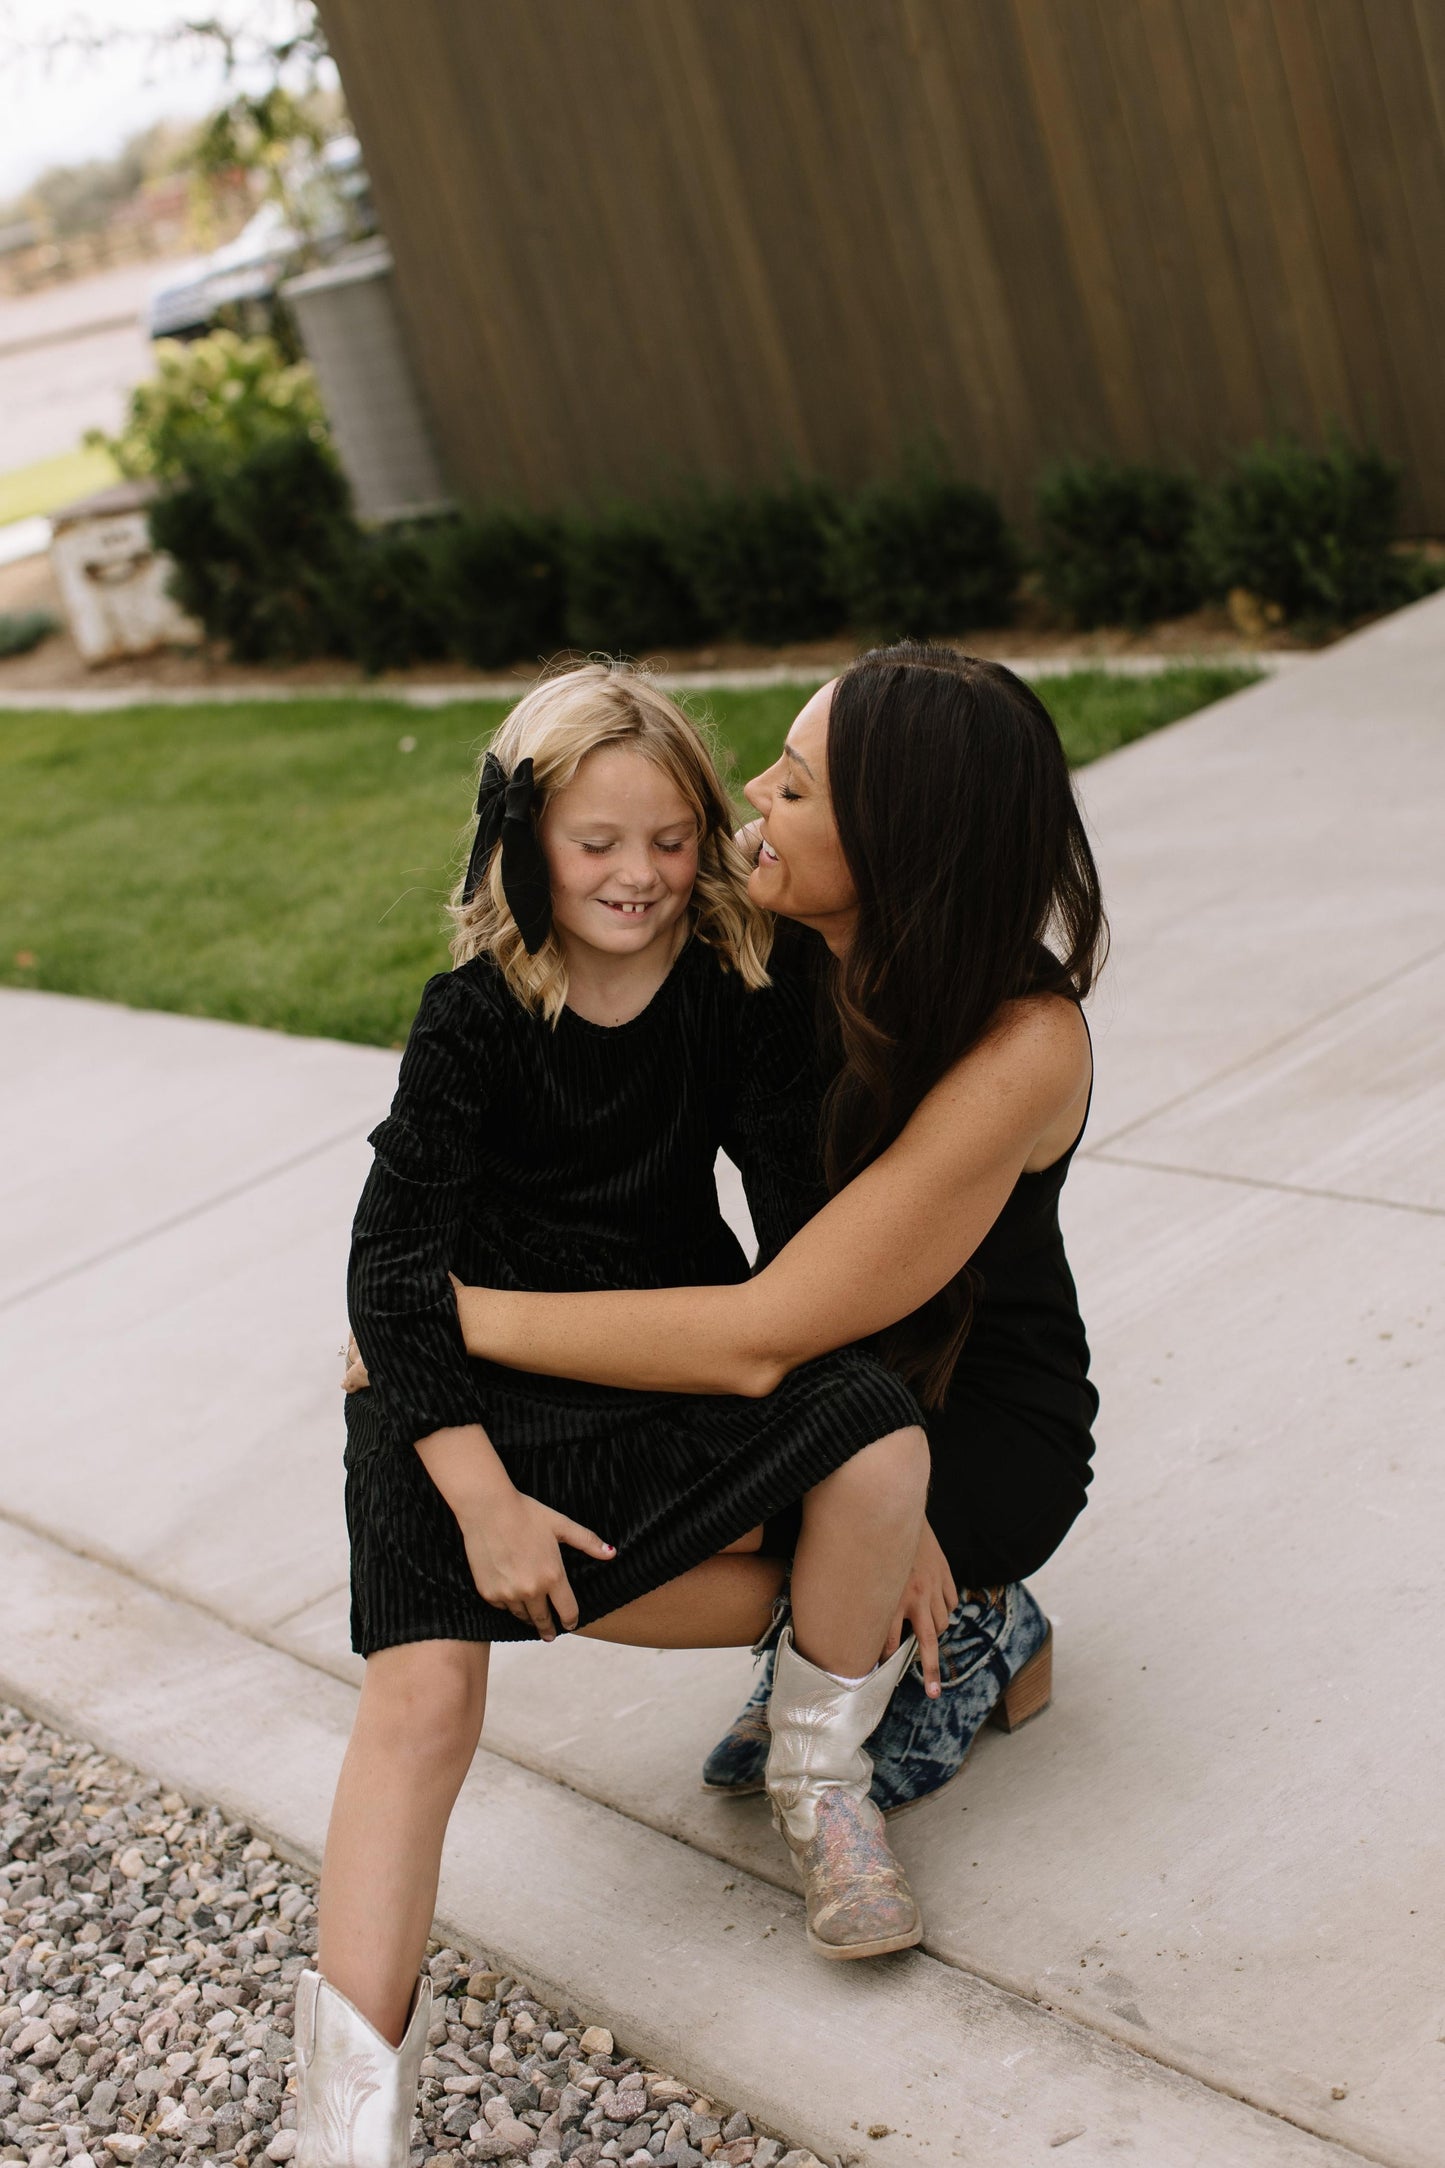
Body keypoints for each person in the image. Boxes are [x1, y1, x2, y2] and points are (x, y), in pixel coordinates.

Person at [296, 664, 933, 2168]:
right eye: (595, 842)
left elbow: (804, 1242)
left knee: (881, 1436)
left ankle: (818, 1774)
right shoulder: (470, 1020)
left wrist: (900, 1513)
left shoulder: (735, 997)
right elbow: (389, 1278)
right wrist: (482, 1501)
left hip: (650, 1363)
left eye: (667, 838)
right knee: (423, 1703)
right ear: (524, 842)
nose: (636, 874)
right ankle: (342, 2122)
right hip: (457, 1407)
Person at [440, 643, 1105, 1813]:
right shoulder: (767, 929)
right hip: (814, 1368)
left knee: (597, 1542)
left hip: (969, 1417)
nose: (752, 792)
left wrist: (449, 1319)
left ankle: (966, 1618)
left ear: (895, 849)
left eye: (793, 787)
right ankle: (850, 1623)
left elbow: (761, 1330)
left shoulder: (1023, 1045)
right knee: (512, 1529)